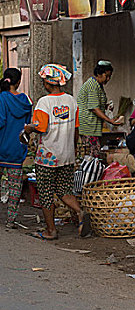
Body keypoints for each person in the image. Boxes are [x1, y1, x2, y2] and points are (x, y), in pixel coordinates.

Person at [22, 64, 91, 239]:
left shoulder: (44, 102)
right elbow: (76, 130)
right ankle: (80, 212)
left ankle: (51, 230)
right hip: (67, 154)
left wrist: (29, 129)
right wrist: (73, 149)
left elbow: (41, 128)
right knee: (64, 190)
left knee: (45, 193)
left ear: (47, 82)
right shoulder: (71, 100)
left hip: (48, 156)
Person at [0, 68, 32, 228]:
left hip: (1, 147)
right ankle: (10, 220)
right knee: (15, 188)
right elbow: (28, 126)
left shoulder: (2, 98)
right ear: (18, 82)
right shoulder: (25, 101)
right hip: (17, 150)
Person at [77, 60, 122, 159]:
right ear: (99, 74)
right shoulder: (93, 85)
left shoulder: (98, 85)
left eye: (110, 76)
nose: (108, 79)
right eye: (106, 76)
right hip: (88, 126)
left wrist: (105, 107)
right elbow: (94, 108)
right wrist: (109, 120)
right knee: (92, 155)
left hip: (93, 126)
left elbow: (95, 104)